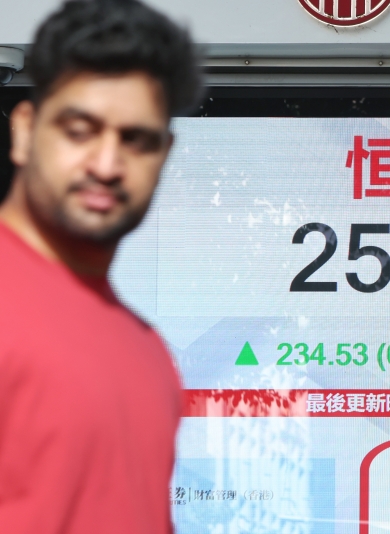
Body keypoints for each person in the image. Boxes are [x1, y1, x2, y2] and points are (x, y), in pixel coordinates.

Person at [0, 1, 202, 532]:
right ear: (24, 132)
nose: (107, 165)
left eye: (136, 140)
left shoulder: (147, 350)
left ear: (164, 154)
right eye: (79, 130)